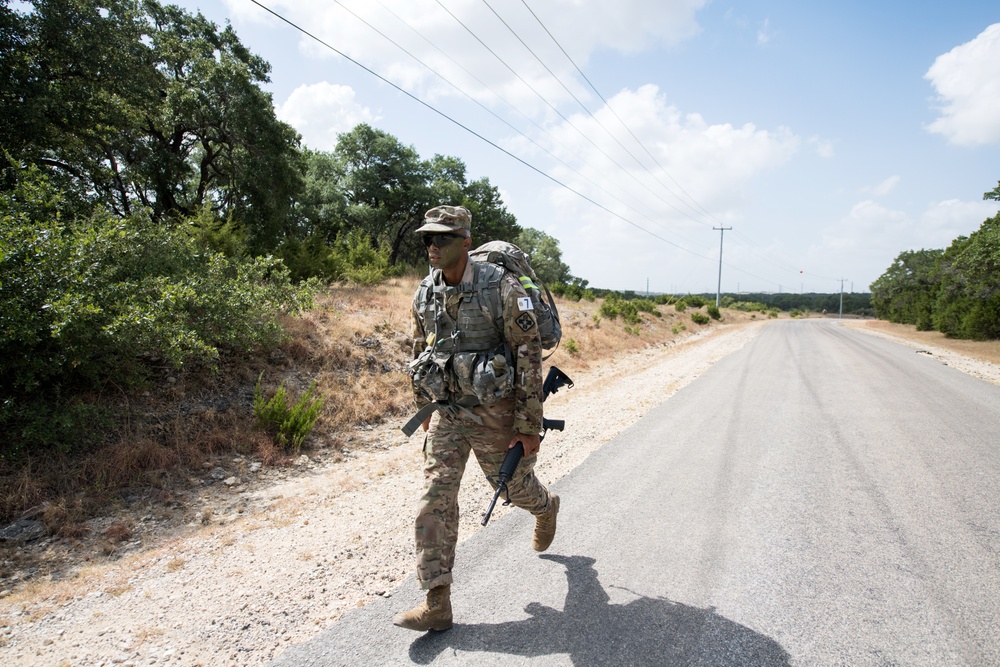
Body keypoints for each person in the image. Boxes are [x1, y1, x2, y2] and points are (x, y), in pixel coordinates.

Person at [393, 205, 560, 632]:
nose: (433, 245)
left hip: (495, 412)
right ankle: (437, 603)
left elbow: (527, 359)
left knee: (515, 488)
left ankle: (545, 507)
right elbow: (420, 350)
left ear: (465, 241)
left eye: (443, 238)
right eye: (428, 238)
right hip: (448, 410)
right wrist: (422, 406)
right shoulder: (424, 293)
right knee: (434, 500)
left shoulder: (502, 288)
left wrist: (527, 427)